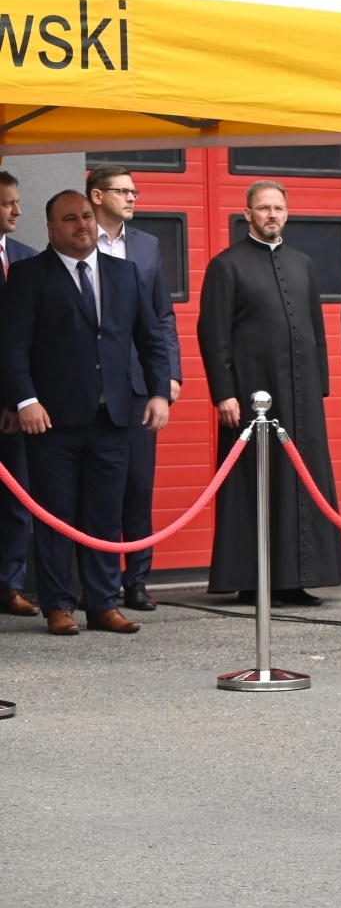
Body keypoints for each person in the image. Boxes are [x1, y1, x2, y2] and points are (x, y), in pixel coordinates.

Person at [0, 191, 170, 636]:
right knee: (56, 515)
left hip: (112, 415)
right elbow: (12, 347)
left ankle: (101, 604)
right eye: (70, 218)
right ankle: (59, 605)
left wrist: (158, 393)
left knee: (105, 515)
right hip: (51, 419)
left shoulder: (125, 273)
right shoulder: (28, 275)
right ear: (52, 227)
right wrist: (25, 401)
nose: (82, 225)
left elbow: (151, 339)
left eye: (87, 217)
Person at [198, 180, 341, 607]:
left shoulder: (302, 263)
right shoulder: (226, 266)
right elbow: (213, 335)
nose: (272, 215)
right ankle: (252, 578)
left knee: (302, 480)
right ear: (247, 214)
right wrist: (224, 393)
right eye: (263, 208)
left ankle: (297, 578)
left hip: (302, 397)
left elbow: (317, 331)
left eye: (278, 208)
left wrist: (320, 383)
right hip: (252, 397)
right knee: (255, 483)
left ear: (287, 212)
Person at [86, 165, 183, 613]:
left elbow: (163, 315)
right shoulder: (79, 240)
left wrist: (167, 378)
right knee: (99, 488)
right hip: (89, 384)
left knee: (139, 486)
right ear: (96, 195)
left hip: (140, 383)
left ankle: (137, 580)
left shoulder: (145, 245)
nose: (132, 198)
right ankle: (97, 585)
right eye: (122, 191)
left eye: (134, 191)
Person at [0, 171, 40, 620]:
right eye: (8, 203)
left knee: (17, 501)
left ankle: (8, 586)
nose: (18, 211)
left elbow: (28, 341)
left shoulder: (27, 261)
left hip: (15, 407)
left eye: (17, 201)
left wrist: (17, 401)